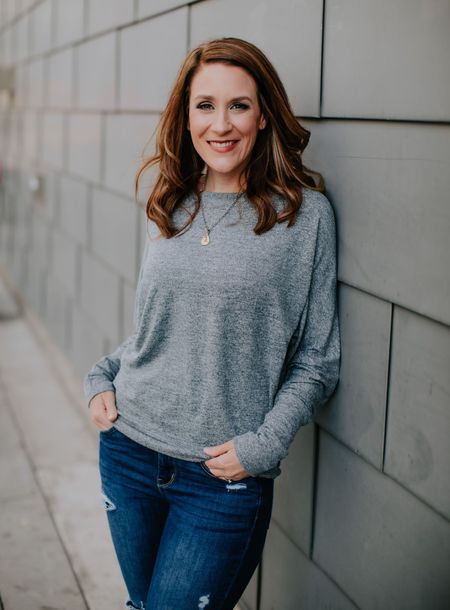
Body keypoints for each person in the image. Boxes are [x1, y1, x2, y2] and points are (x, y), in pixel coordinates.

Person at [84, 37, 340, 610]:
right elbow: (160, 332)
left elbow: (318, 359)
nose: (220, 124)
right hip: (129, 448)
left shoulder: (303, 215)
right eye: (205, 105)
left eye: (239, 105)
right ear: (186, 115)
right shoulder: (167, 203)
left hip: (222, 477)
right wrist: (103, 375)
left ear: (265, 114)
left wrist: (265, 444)